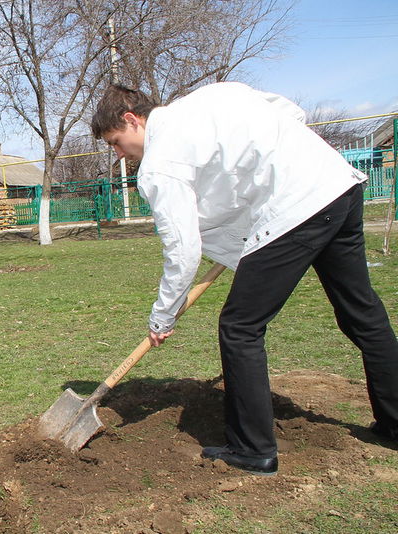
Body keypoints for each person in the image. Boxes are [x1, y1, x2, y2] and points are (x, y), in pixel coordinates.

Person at [90, 82, 398, 475]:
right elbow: (291, 112)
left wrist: (162, 316)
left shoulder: (161, 162)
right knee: (362, 313)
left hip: (295, 208)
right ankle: (395, 423)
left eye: (116, 142)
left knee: (240, 327)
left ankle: (253, 449)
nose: (119, 154)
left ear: (132, 120)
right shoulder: (215, 95)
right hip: (337, 186)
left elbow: (183, 250)